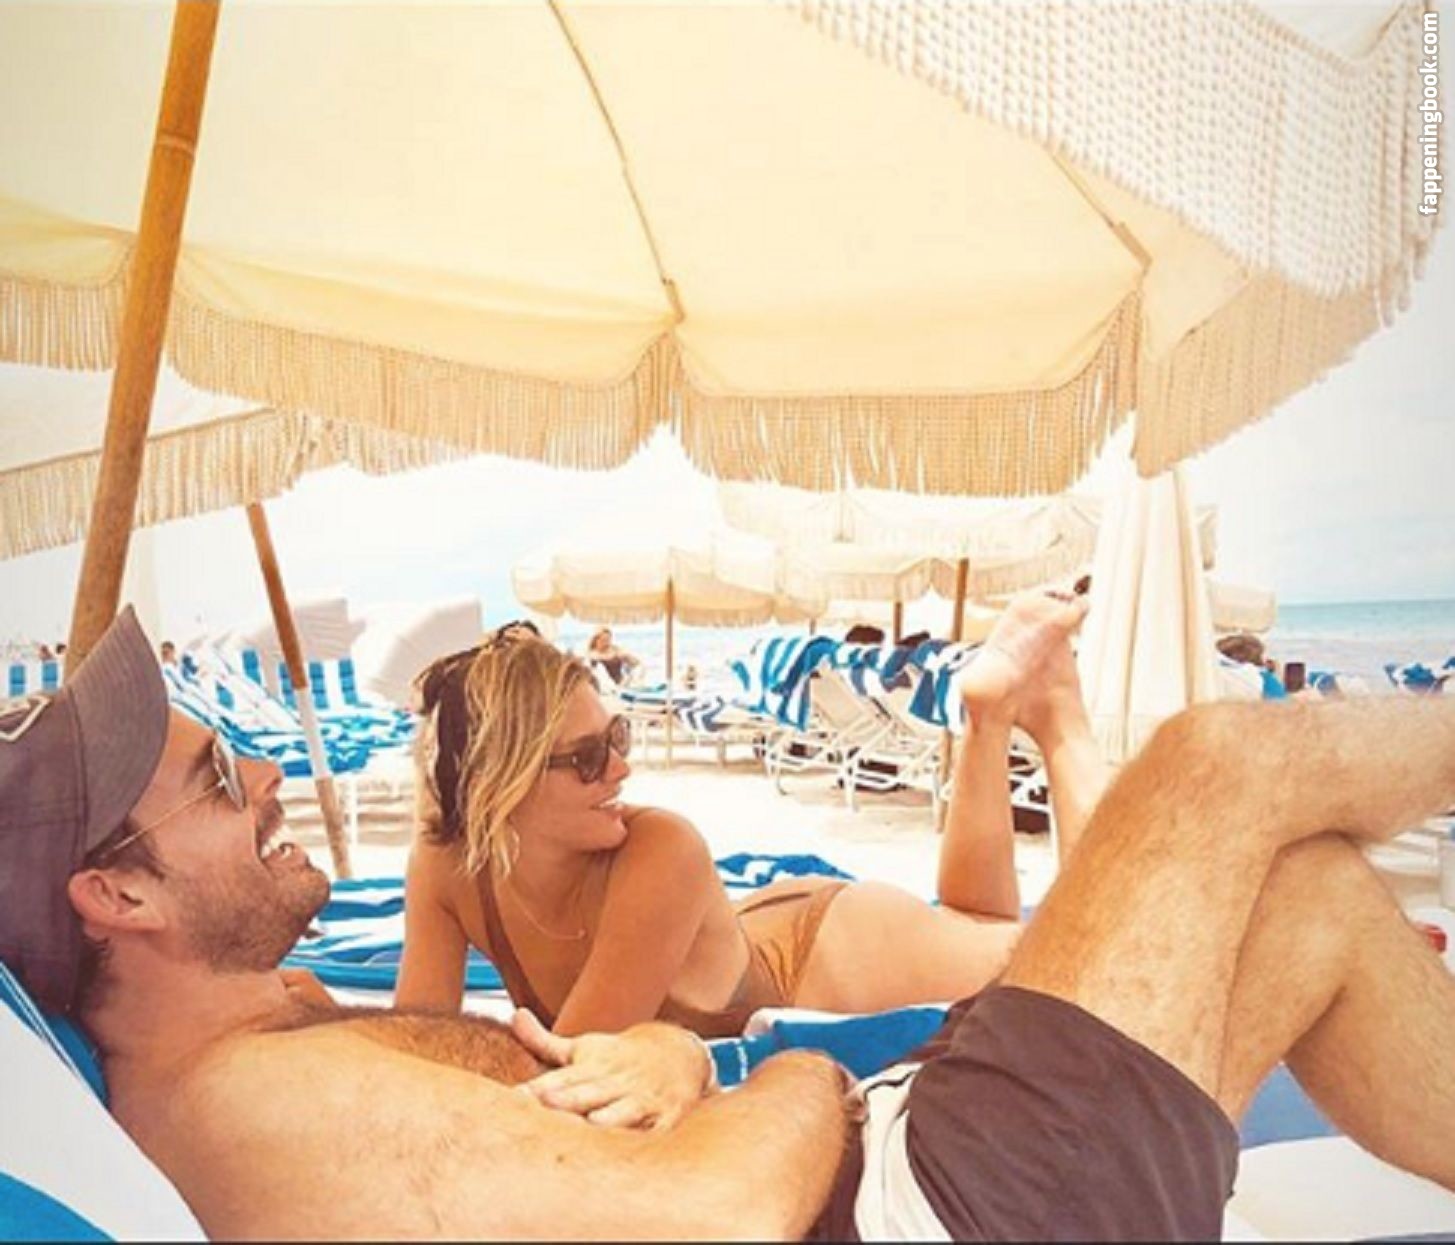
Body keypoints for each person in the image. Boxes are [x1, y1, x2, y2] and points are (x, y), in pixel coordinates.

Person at [3, 607, 1454, 1239]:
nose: (265, 773)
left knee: (1307, 896)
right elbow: (715, 1215)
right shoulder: (250, 1104)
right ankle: (1042, 721)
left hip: (882, 1127)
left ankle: (1031, 721)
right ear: (118, 896)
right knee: (1212, 766)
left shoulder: (274, 1032)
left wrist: (674, 1062)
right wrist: (782, 1073)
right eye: (217, 777)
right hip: (911, 1207)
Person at [396, 590, 1102, 1036]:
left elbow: (571, 1064)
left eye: (618, 737)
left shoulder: (659, 847)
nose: (621, 768)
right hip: (759, 930)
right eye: (586, 757)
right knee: (983, 924)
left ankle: (1061, 719)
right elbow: (412, 1045)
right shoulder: (445, 864)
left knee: (1083, 964)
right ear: (501, 784)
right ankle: (987, 714)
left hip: (830, 953)